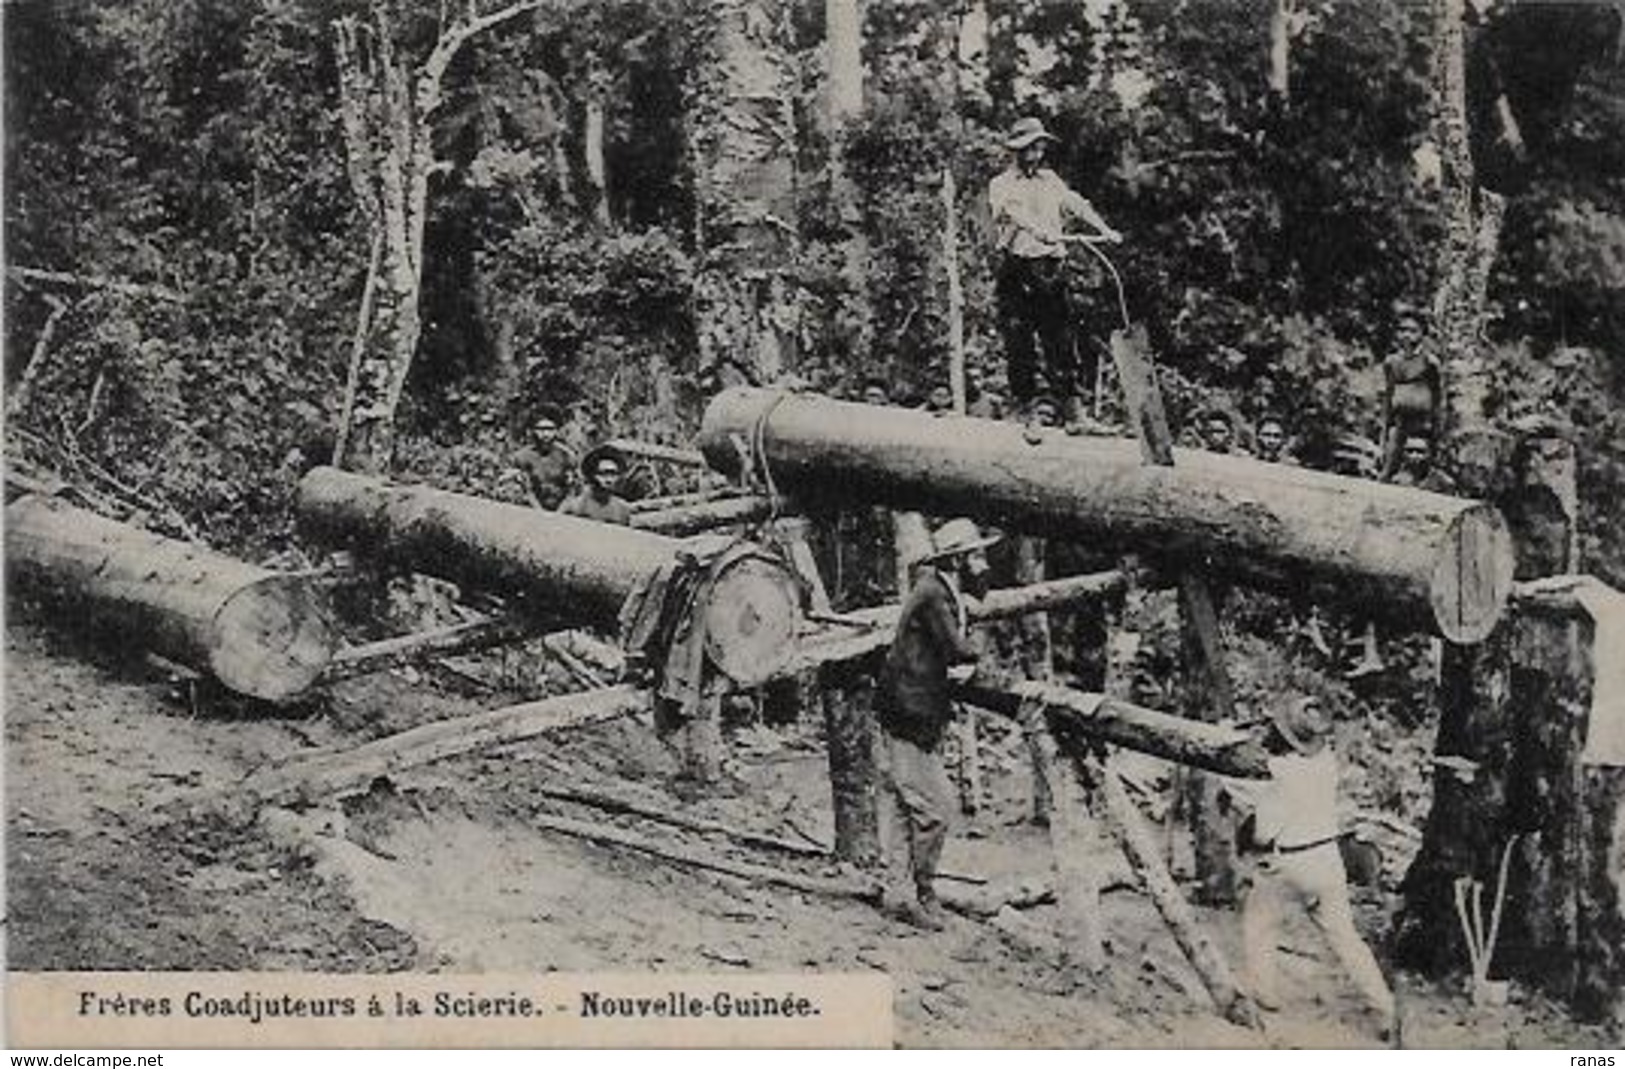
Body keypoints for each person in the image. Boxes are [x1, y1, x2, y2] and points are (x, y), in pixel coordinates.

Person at [1236, 696, 1398, 1040]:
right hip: (1327, 858)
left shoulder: (1279, 773)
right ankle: (1384, 1007)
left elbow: (1265, 830)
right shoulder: (1327, 764)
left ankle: (1264, 990)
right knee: (1346, 939)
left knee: (1259, 921)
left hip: (1290, 861)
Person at [875, 517, 998, 930]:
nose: (982, 561)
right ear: (960, 558)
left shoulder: (942, 588)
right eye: (976, 555)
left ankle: (898, 891)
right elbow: (958, 649)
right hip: (911, 711)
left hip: (908, 706)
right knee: (934, 811)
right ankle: (923, 892)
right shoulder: (933, 593)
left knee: (903, 801)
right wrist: (980, 641)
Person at [988, 116, 1123, 426]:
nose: (1035, 156)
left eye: (1039, 148)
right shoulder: (1002, 184)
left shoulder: (1050, 180)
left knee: (1061, 340)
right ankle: (1025, 409)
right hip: (1018, 268)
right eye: (1028, 149)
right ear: (1016, 151)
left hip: (1051, 267)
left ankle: (1075, 413)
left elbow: (1075, 203)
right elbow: (1012, 212)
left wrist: (1105, 228)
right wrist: (1038, 230)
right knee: (1019, 340)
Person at [1380, 312, 1442, 479]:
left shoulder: (1429, 362)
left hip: (1423, 422)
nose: (1407, 335)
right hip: (1400, 419)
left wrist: (1435, 423)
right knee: (1390, 460)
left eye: (1413, 330)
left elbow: (1438, 394)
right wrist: (1385, 424)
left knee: (1419, 462)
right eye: (1403, 330)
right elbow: (1389, 392)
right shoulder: (1392, 361)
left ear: (1422, 334)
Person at [514, 410, 576, 511]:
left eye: (550, 429)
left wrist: (559, 514)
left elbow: (571, 492)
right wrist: (540, 514)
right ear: (533, 430)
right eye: (541, 429)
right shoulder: (523, 456)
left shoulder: (567, 456)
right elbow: (527, 491)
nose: (546, 434)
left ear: (556, 431)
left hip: (562, 510)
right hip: (531, 509)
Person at [560, 445, 632, 526]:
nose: (608, 480)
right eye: (603, 474)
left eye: (613, 474)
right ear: (592, 474)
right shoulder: (575, 505)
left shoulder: (622, 510)